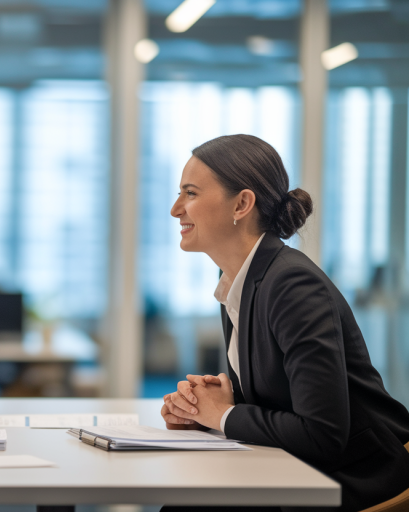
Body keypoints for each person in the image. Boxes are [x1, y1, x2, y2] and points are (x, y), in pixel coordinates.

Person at [161, 134, 409, 512]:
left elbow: (322, 434)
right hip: (300, 467)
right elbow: (278, 400)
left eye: (190, 193)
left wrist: (223, 414)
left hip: (357, 477)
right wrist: (204, 411)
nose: (176, 208)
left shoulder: (292, 284)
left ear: (242, 204)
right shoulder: (237, 281)